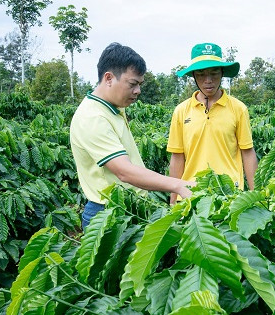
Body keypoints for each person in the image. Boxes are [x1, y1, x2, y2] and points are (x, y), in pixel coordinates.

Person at [70, 42, 194, 229]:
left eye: (140, 84)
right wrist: (178, 185)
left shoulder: (113, 108)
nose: (138, 91)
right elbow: (124, 171)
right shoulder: (93, 117)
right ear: (109, 78)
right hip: (108, 214)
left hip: (128, 208)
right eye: (132, 84)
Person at [167, 42, 258, 203]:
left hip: (229, 195)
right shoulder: (181, 111)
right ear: (194, 75)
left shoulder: (238, 109)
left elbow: (248, 153)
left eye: (214, 73)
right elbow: (177, 157)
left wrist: (256, 195)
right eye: (201, 74)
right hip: (190, 195)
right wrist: (173, 201)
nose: (208, 80)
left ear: (222, 73)